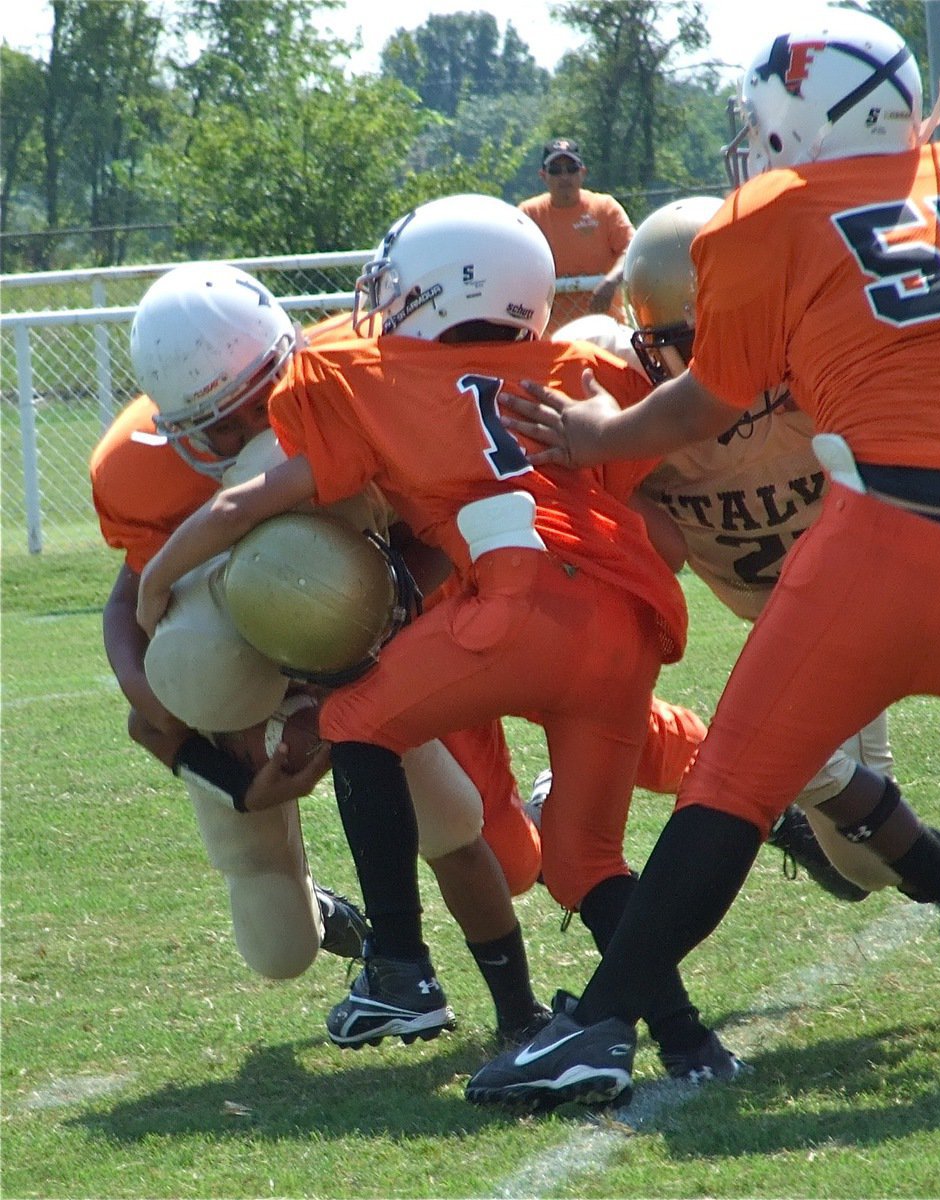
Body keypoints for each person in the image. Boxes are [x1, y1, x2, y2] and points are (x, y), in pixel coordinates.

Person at [468, 6, 940, 1104]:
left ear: (789, 123)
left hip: (893, 542)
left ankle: (599, 1024)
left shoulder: (765, 217)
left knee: (732, 780)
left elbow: (709, 398)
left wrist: (595, 438)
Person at [133, 196, 742, 1084]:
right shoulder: (572, 363)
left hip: (512, 610)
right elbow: (648, 480)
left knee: (353, 722)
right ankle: (690, 1045)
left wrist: (156, 583)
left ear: (432, 291)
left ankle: (400, 968)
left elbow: (245, 502)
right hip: (624, 624)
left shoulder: (372, 377)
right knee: (583, 861)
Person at [554, 199, 940, 1031]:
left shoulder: (829, 374)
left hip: (877, 603)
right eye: (674, 342)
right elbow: (651, 540)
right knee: (855, 861)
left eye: (713, 336)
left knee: (804, 777)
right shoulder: (626, 396)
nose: (696, 362)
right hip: (793, 630)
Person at [97, 266, 549, 1045]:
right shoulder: (139, 471)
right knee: (279, 950)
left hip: (358, 645)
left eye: (256, 410)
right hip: (235, 685)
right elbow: (134, 646)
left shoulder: (357, 393)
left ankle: (517, 1008)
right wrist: (213, 753)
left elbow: (433, 535)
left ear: (291, 367)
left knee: (481, 848)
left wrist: (386, 614)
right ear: (177, 429)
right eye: (218, 431)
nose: (245, 441)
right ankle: (331, 915)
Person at [518, 137, 634, 333]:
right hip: (551, 337)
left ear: (583, 173)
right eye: (555, 170)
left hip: (606, 330)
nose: (564, 177)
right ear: (543, 175)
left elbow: (632, 248)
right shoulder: (529, 214)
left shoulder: (605, 208)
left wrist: (610, 281)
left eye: (571, 168)